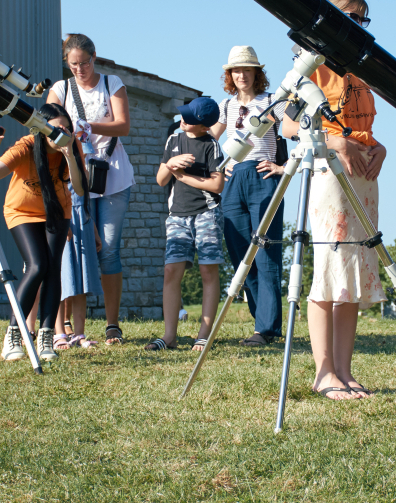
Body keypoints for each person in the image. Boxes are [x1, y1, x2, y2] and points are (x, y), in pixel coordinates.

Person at [281, 0, 387, 400]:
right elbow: (288, 126)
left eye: (362, 19)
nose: (356, 26)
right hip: (327, 173)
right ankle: (323, 372)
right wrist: (335, 140)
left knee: (355, 274)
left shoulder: (363, 68)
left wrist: (380, 147)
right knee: (328, 269)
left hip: (364, 176)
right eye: (349, 17)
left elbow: (364, 125)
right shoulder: (311, 66)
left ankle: (344, 370)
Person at [0, 103, 84, 362]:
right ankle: (14, 333)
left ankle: (47, 337)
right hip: (22, 212)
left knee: (52, 269)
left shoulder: (71, 145)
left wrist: (69, 153)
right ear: (41, 128)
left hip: (58, 212)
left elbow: (81, 189)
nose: (62, 133)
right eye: (56, 129)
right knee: (36, 266)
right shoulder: (26, 146)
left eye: (66, 128)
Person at [47, 34, 134, 345]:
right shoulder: (60, 89)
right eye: (73, 65)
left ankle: (112, 325)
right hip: (73, 177)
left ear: (94, 57)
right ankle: (64, 325)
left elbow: (123, 125)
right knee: (71, 250)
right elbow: (49, 128)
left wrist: (88, 126)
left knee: (109, 250)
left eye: (84, 63)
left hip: (113, 175)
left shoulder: (112, 83)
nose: (80, 70)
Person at [208, 46, 287, 347]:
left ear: (257, 73)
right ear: (229, 75)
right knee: (241, 252)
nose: (241, 75)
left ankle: (267, 329)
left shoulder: (271, 103)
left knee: (266, 252)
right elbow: (207, 137)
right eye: (236, 70)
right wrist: (218, 168)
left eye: (247, 69)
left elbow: (296, 131)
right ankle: (260, 323)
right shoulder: (225, 106)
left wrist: (283, 167)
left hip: (263, 176)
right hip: (233, 178)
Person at [150, 96, 225, 351]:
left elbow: (217, 185)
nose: (183, 119)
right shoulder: (174, 139)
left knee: (208, 271)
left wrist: (183, 176)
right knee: (171, 271)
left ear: (204, 126)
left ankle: (204, 335)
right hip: (177, 215)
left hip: (207, 213)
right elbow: (161, 180)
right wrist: (171, 166)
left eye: (189, 118)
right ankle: (169, 336)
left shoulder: (212, 146)